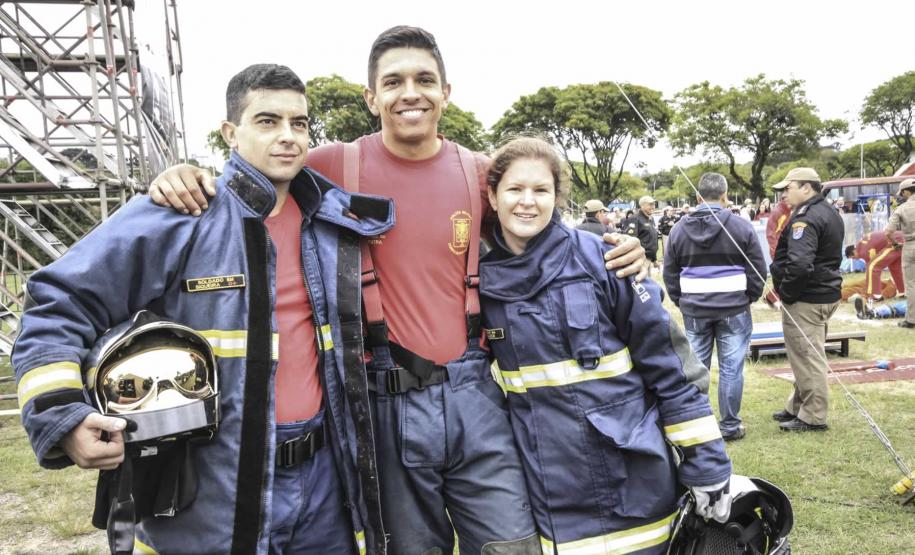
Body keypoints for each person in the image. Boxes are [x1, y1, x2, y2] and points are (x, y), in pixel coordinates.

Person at [147, 26, 648, 554]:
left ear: (446, 93)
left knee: (512, 545)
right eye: (393, 82)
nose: (410, 92)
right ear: (372, 97)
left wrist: (618, 255)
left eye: (424, 79)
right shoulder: (330, 165)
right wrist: (186, 174)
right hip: (384, 402)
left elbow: (542, 232)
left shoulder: (479, 172)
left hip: (475, 394)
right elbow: (255, 168)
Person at [13, 64, 393, 554]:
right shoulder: (180, 212)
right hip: (212, 484)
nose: (288, 136)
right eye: (267, 121)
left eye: (299, 124)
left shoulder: (331, 224)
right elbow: (58, 303)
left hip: (324, 484)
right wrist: (62, 415)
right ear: (230, 133)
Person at [479, 137, 731, 553]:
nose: (527, 202)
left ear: (558, 197)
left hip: (631, 481)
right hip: (543, 491)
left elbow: (672, 368)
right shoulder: (479, 283)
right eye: (514, 189)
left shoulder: (608, 259)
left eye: (541, 190)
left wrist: (707, 462)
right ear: (492, 194)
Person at [663, 173, 767, 442]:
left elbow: (670, 273)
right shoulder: (741, 226)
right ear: (725, 195)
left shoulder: (677, 229)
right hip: (733, 308)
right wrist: (747, 297)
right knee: (732, 369)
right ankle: (730, 425)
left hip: (695, 310)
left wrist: (681, 301)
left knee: (695, 368)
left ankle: (698, 423)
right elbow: (758, 269)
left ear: (698, 198)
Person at [769, 167, 843, 433]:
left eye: (788, 188)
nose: (783, 195)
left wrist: (786, 294)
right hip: (825, 292)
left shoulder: (806, 218)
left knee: (807, 357)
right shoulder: (828, 210)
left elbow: (800, 264)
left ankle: (813, 415)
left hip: (807, 298)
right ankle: (797, 405)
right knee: (806, 353)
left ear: (806, 187)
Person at [885, 178, 915, 329]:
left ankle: (911, 320)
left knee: (911, 285)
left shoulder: (902, 208)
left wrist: (896, 244)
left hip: (910, 246)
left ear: (906, 191)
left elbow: (889, 232)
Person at [853, 230, 906, 302]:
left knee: (873, 266)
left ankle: (876, 295)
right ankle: (903, 292)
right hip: (901, 238)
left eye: (853, 257)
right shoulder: (862, 243)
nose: (855, 259)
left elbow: (872, 265)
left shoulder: (862, 251)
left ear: (853, 252)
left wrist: (866, 291)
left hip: (893, 242)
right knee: (895, 269)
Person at [630, 195, 659, 265]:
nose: (653, 207)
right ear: (642, 206)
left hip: (649, 258)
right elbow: (631, 241)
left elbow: (652, 240)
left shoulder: (650, 219)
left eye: (653, 204)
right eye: (650, 204)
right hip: (640, 259)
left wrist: (654, 259)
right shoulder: (635, 218)